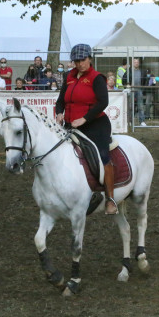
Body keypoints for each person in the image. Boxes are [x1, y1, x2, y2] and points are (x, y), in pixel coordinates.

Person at [55, 43, 117, 215]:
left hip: (95, 125)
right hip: (70, 125)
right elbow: (61, 100)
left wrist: (84, 119)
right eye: (76, 60)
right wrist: (59, 113)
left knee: (103, 156)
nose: (79, 63)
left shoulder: (97, 78)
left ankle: (110, 199)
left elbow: (103, 102)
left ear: (90, 58)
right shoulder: (69, 77)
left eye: (82, 60)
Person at [124, 58, 147, 126]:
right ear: (132, 63)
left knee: (140, 106)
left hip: (139, 90)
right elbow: (124, 79)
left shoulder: (142, 71)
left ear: (139, 63)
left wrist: (143, 88)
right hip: (131, 90)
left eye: (137, 62)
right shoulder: (128, 71)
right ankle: (129, 121)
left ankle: (142, 121)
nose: (136, 63)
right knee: (130, 106)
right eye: (135, 62)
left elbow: (145, 80)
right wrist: (127, 86)